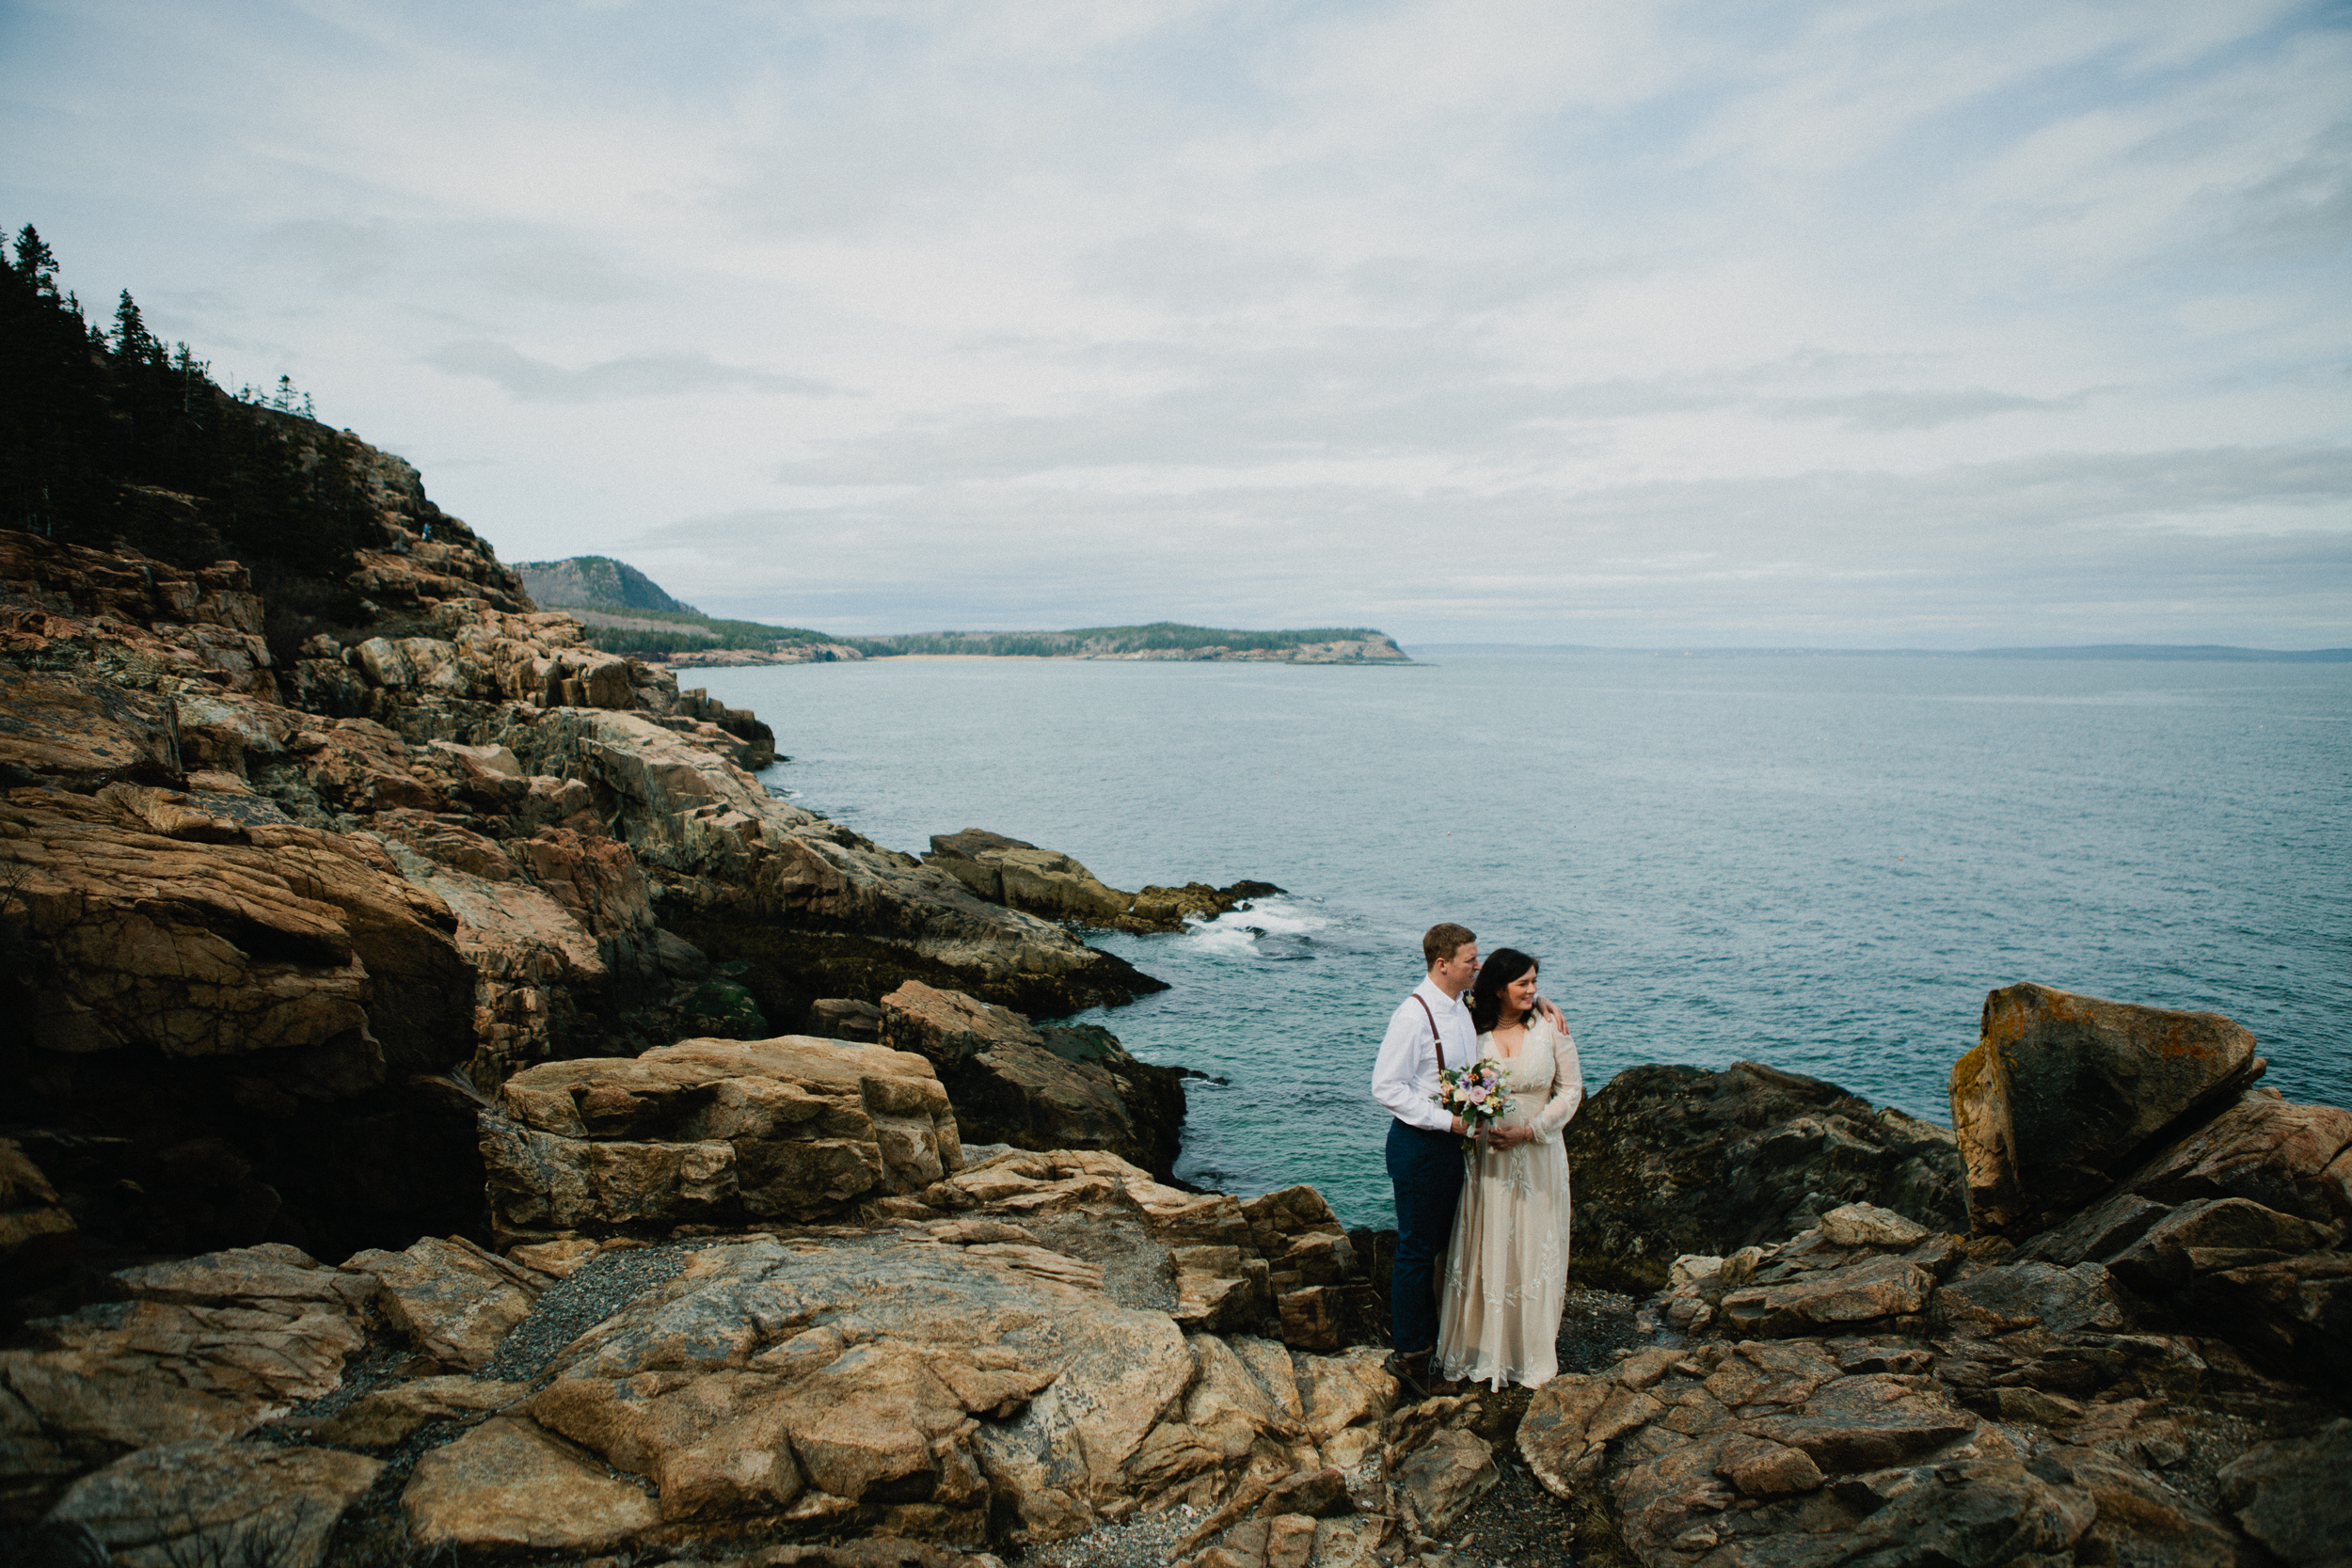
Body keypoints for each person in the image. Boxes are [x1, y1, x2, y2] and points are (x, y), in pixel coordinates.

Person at [1372, 925, 1565, 1396]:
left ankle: (1441, 1343)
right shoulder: (1412, 1017)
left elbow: (1505, 992)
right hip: (1419, 1144)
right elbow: (1385, 1088)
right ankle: (1411, 1356)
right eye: (1468, 960)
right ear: (1443, 964)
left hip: (1450, 1149)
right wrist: (1449, 1124)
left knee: (1444, 1245)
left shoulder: (1463, 1005)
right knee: (1416, 1251)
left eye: (1478, 960)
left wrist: (1540, 1003)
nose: (1476, 966)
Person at [1433, 947, 1583, 1390]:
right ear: (1499, 988)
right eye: (1524, 984)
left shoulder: (1550, 1028)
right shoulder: (1471, 1030)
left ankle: (1528, 1353)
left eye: (1536, 983)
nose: (1534, 991)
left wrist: (1532, 1130)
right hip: (1490, 1159)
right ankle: (1482, 1351)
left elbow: (1571, 1091)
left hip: (1539, 1156)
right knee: (1490, 1243)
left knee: (1535, 1246)